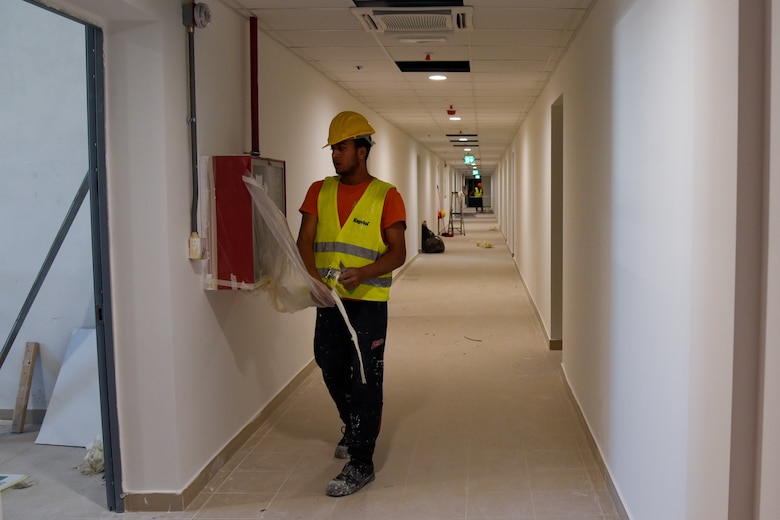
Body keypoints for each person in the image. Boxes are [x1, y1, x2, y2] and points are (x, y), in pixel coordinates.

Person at [296, 111, 407, 497]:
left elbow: (398, 252)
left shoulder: (386, 196)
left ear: (362, 151)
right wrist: (312, 279)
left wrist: (364, 272)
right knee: (329, 364)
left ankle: (361, 461)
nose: (335, 155)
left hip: (368, 303)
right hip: (329, 300)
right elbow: (304, 241)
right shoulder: (319, 190)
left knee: (365, 378)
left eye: (342, 148)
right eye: (333, 149)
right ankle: (354, 423)